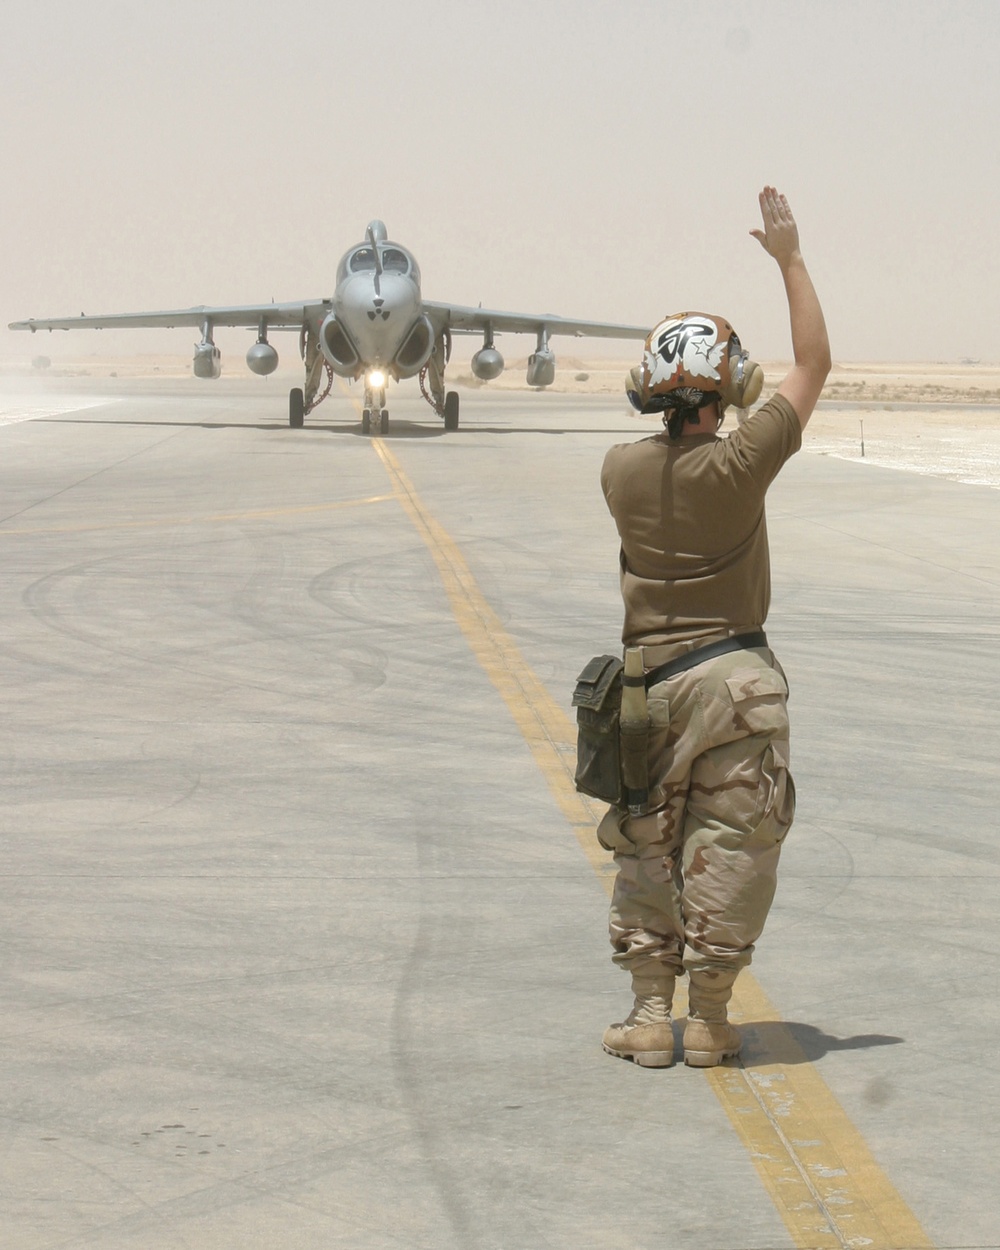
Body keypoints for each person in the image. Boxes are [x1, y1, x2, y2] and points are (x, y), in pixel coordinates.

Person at [597, 186, 831, 1068]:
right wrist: (790, 259)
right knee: (733, 844)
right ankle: (711, 1020)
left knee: (645, 842)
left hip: (647, 690)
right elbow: (813, 363)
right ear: (728, 386)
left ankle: (649, 1017)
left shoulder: (619, 471)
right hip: (737, 685)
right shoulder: (743, 463)